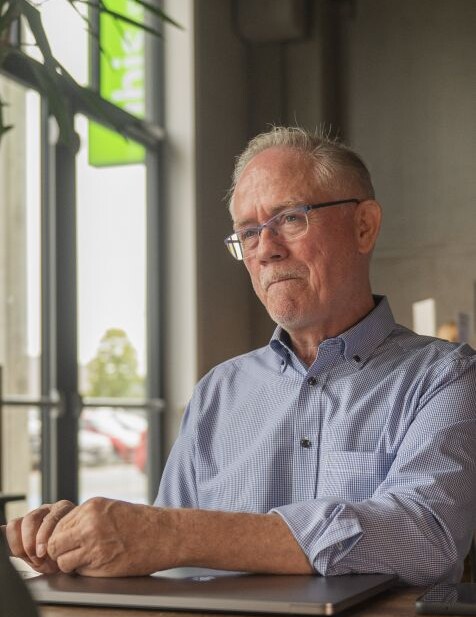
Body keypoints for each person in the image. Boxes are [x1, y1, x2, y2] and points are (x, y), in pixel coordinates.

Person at [4, 127, 476, 585]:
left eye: (290, 217)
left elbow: (424, 536)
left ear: (363, 225)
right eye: (248, 233)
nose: (266, 250)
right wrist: (81, 544)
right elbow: (155, 554)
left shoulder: (446, 377)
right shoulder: (218, 392)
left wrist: (173, 533)